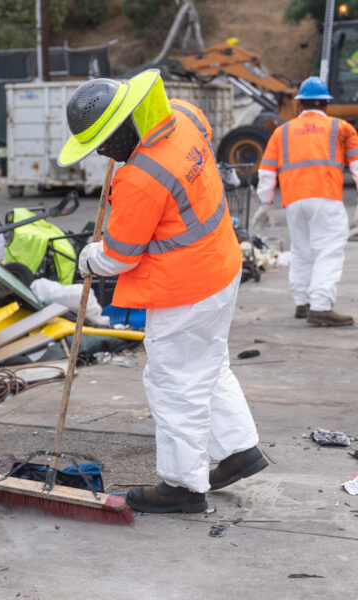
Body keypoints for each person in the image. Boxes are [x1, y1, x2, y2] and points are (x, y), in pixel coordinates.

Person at [60, 70, 265, 514]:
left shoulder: (139, 177)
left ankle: (183, 487)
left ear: (120, 130)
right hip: (221, 267)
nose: (101, 153)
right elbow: (200, 135)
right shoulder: (183, 117)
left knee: (173, 383)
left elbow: (120, 257)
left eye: (102, 143)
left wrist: (88, 258)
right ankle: (239, 450)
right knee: (209, 365)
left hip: (185, 288)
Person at [255, 76, 357, 327]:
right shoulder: (341, 128)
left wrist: (265, 204)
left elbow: (266, 172)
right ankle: (321, 307)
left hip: (293, 202)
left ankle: (303, 303)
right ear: (325, 105)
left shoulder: (282, 131)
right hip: (326, 198)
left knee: (301, 251)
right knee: (328, 251)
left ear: (300, 105)